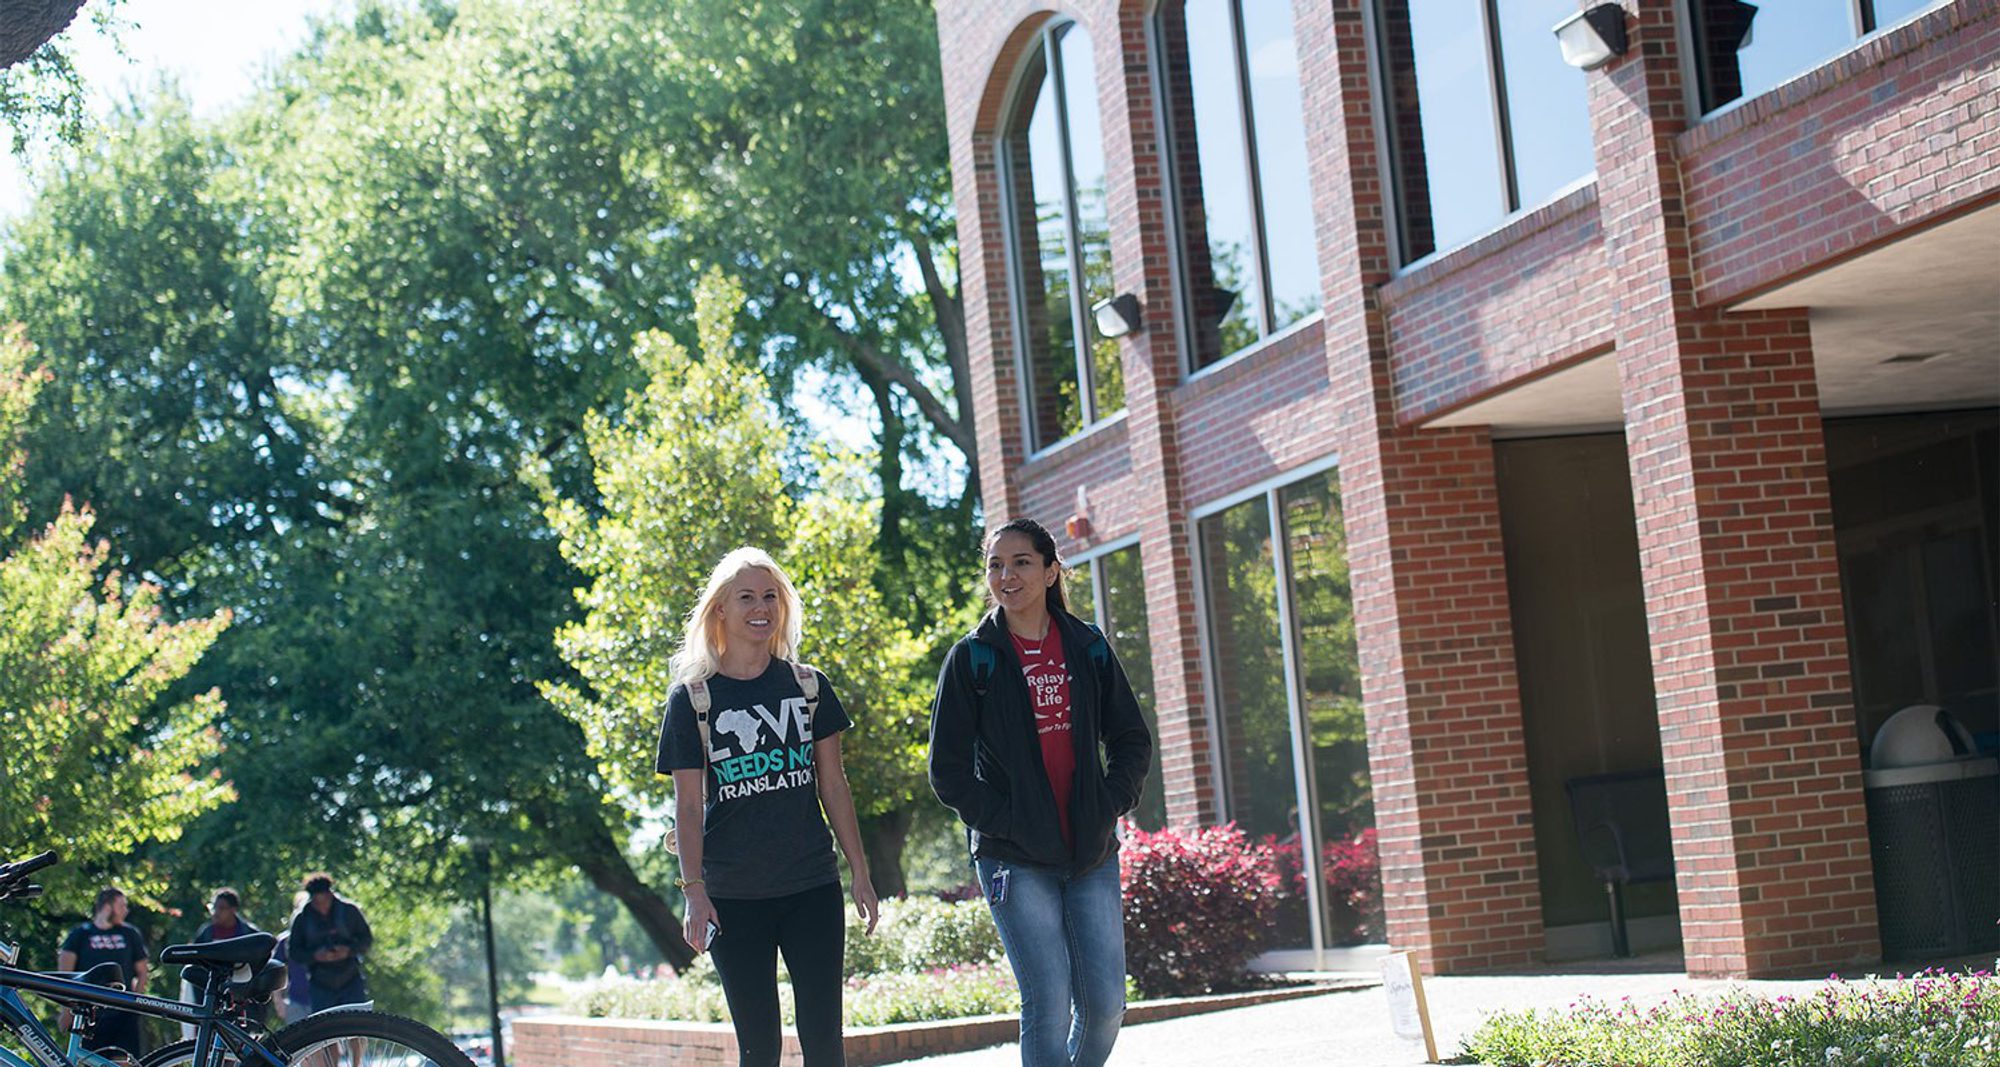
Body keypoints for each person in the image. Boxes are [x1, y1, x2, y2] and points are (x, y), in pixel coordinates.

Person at [928, 519, 1153, 1067]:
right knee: (1048, 1006)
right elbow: (947, 771)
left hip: (1090, 849)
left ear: (1051, 571)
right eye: (996, 564)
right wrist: (1007, 820)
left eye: (1022, 562)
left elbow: (1130, 738)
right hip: (1015, 858)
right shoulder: (973, 658)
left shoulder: (1087, 646)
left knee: (1105, 1007)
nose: (1007, 575)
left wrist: (1110, 802)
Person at [655, 547, 879, 1067]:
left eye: (771, 596)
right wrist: (694, 893)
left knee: (825, 1044)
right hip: (734, 898)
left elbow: (834, 785)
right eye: (747, 597)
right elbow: (688, 808)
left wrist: (861, 873)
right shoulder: (692, 700)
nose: (761, 607)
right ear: (720, 611)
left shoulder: (808, 686)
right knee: (760, 1050)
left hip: (812, 888)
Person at [58, 886, 151, 1058]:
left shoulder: (129, 933)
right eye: (122, 906)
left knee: (125, 1060)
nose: (126, 910)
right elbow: (66, 971)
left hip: (123, 1011)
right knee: (89, 1059)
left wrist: (136, 1003)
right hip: (90, 1012)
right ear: (108, 906)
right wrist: (66, 1010)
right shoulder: (81, 934)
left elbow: (143, 971)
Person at [286, 873, 374, 1014]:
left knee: (357, 1026)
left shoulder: (349, 911)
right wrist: (316, 956)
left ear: (330, 894)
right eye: (317, 903)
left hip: (351, 979)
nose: (322, 907)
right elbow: (294, 952)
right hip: (320, 984)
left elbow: (366, 940)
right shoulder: (302, 918)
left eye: (325, 901)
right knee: (325, 1030)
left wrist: (348, 950)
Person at [187, 889, 268, 1031]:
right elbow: (196, 964)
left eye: (222, 908)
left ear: (233, 910)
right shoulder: (206, 934)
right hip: (212, 996)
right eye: (214, 907)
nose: (216, 912)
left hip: (242, 999)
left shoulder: (249, 934)